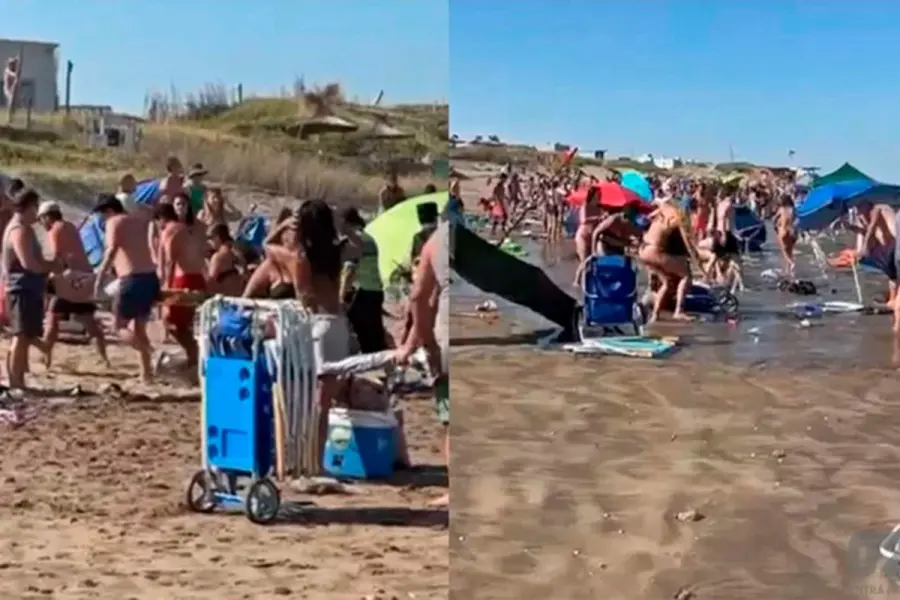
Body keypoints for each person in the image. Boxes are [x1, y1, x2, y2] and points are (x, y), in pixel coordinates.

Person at [264, 200, 349, 473]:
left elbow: (267, 247)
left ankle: (303, 459)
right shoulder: (337, 251)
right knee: (324, 402)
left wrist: (281, 226)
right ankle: (318, 462)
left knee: (306, 400)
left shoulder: (301, 256)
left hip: (317, 325)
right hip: (338, 324)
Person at [395, 217, 450, 508]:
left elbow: (419, 299)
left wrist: (421, 343)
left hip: (447, 337)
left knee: (450, 420)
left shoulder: (435, 243)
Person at [93, 194, 161, 383]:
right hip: (150, 277)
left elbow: (111, 251)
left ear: (109, 211)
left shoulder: (114, 222)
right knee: (139, 329)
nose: (101, 219)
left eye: (102, 214)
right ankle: (146, 375)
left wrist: (99, 278)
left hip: (132, 278)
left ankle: (150, 352)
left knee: (118, 326)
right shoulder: (137, 221)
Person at [38, 201, 109, 369]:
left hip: (69, 281)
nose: (42, 223)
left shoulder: (55, 230)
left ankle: (46, 359)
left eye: (41, 219)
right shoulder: (69, 226)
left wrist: (44, 276)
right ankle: (105, 359)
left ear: (47, 217)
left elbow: (56, 258)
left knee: (52, 318)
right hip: (84, 278)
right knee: (88, 320)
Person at [3, 189, 55, 389]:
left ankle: (19, 380)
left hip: (26, 288)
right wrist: (51, 267)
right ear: (28, 206)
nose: (37, 212)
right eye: (35, 207)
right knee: (20, 337)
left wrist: (50, 265)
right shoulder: (19, 230)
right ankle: (16, 383)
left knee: (24, 336)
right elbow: (29, 264)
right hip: (21, 288)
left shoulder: (24, 228)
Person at [158, 196, 208, 374]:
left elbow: (169, 261)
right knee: (186, 323)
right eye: (178, 204)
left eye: (184, 204)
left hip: (183, 277)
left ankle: (194, 355)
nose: (181, 208)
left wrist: (166, 284)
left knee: (173, 322)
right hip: (195, 276)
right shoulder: (194, 228)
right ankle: (193, 356)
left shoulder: (174, 229)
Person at [638, 199, 706, 323]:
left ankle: (655, 315)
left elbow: (653, 210)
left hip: (643, 250)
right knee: (685, 276)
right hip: (655, 250)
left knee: (666, 282)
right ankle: (678, 311)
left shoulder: (662, 210)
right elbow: (688, 244)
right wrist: (698, 264)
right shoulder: (677, 216)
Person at [339, 207, 389, 354]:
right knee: (375, 337)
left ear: (346, 222)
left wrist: (341, 298)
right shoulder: (367, 238)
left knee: (363, 337)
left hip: (363, 293)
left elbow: (349, 270)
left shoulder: (355, 240)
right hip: (375, 290)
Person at [243, 208, 297, 299]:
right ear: (282, 236)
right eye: (290, 231)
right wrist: (283, 225)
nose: (294, 236)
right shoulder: (270, 265)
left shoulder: (304, 262)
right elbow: (246, 297)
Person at [207, 223, 246, 296]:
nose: (208, 242)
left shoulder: (218, 257)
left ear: (217, 237)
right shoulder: (237, 253)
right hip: (240, 296)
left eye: (209, 238)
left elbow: (210, 282)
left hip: (225, 297)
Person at [774, 194, 797, 276]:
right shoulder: (794, 209)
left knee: (784, 251)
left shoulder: (781, 209)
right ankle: (788, 271)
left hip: (783, 231)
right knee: (790, 251)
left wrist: (777, 226)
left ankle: (791, 263)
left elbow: (774, 220)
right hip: (793, 231)